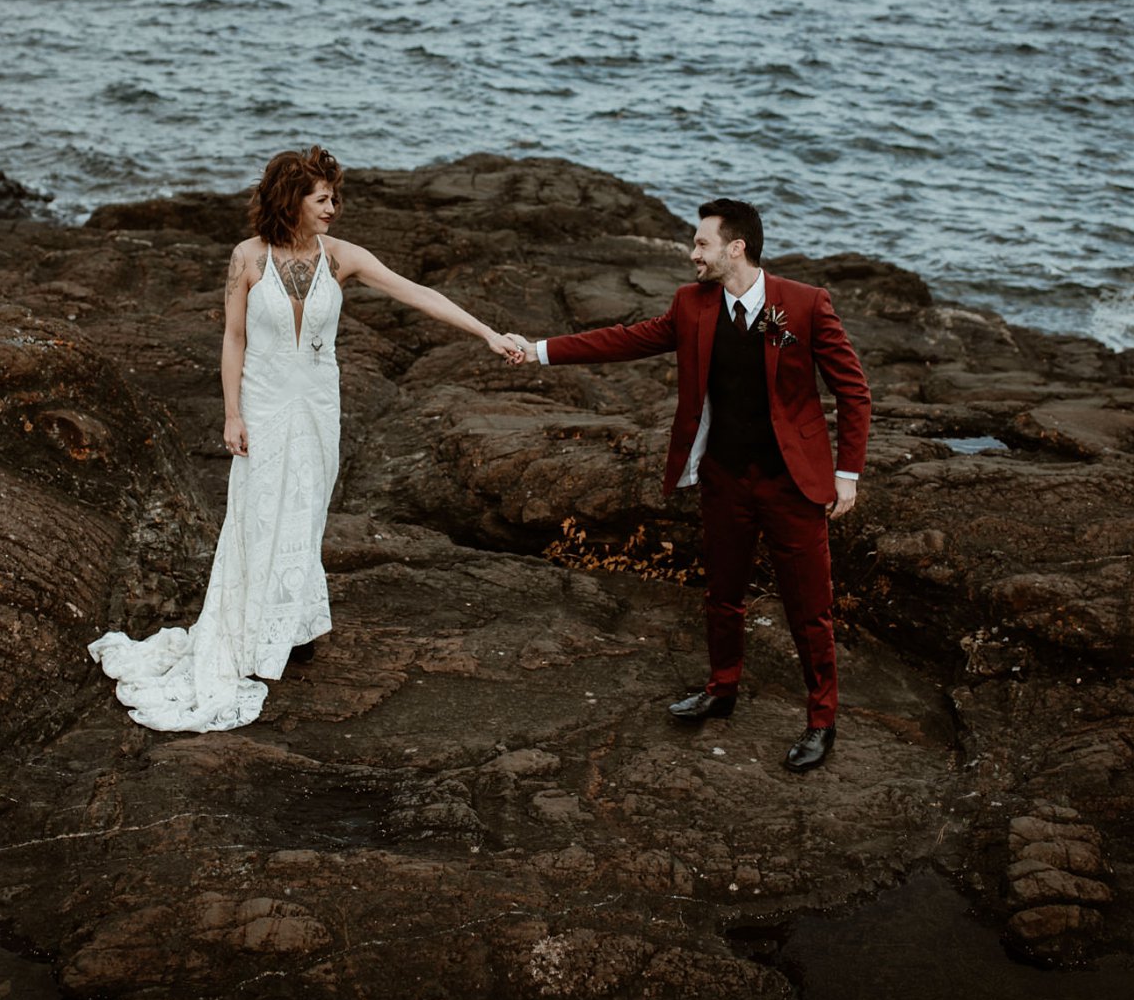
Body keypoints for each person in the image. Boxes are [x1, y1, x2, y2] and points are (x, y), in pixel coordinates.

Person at [89, 146, 522, 731]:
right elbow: (234, 341)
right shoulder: (246, 258)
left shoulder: (341, 257)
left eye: (334, 198)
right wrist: (231, 415)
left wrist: (487, 333)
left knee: (306, 512)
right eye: (323, 198)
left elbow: (415, 292)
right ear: (291, 199)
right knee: (260, 513)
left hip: (319, 404)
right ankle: (261, 629)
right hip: (264, 404)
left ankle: (292, 625)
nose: (333, 208)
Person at [505, 198, 870, 772]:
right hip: (724, 479)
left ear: (736, 248)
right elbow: (623, 339)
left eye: (701, 243)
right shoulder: (691, 305)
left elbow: (854, 392)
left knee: (811, 609)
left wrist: (847, 475)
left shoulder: (805, 306)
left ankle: (822, 721)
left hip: (792, 485)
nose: (691, 253)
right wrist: (539, 351)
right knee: (722, 595)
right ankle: (722, 689)